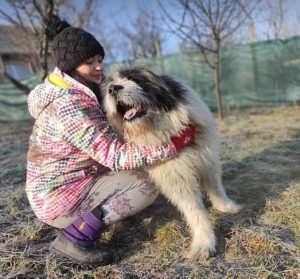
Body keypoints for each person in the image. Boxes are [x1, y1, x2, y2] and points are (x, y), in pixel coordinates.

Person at [26, 16, 196, 265]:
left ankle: (102, 210)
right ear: (70, 66)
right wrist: (172, 146)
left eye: (99, 61)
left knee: (138, 171)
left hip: (76, 179)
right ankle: (74, 239)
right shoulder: (68, 105)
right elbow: (114, 156)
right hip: (58, 199)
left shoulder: (80, 90)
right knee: (146, 185)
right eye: (89, 63)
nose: (98, 68)